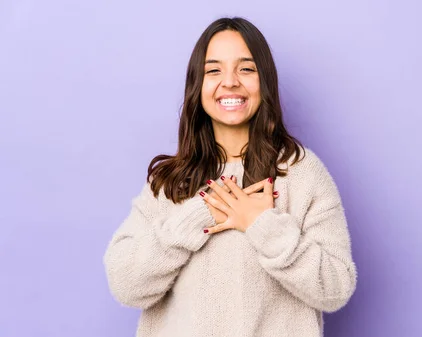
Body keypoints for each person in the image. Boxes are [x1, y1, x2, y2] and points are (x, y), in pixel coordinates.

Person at [103, 17, 357, 337]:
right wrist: (199, 213)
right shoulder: (170, 181)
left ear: (264, 81)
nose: (230, 82)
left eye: (246, 69)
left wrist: (262, 224)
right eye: (214, 70)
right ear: (198, 85)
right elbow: (126, 285)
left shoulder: (301, 172)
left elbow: (336, 288)